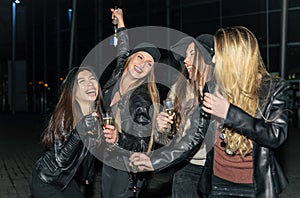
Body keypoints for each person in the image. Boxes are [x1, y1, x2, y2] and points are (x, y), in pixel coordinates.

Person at [130, 26, 290, 198]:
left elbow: (275, 135)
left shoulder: (273, 88)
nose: (212, 60)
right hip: (217, 186)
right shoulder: (213, 88)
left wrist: (229, 113)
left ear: (235, 55)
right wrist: (154, 160)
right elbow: (193, 137)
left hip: (253, 187)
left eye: (217, 54)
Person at [29, 66, 118, 197]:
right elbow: (61, 160)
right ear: (73, 92)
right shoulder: (65, 115)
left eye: (92, 79)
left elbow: (91, 151)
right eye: (82, 81)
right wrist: (80, 129)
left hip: (67, 180)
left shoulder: (97, 117)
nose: (90, 84)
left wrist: (89, 174)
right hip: (46, 180)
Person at [100, 8, 161, 198]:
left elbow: (144, 145)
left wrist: (119, 138)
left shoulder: (141, 98)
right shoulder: (119, 73)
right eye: (140, 57)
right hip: (110, 156)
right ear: (130, 60)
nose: (142, 64)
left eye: (148, 63)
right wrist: (120, 21)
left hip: (128, 166)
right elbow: (122, 49)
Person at [154, 34, 215, 198]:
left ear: (209, 57)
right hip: (187, 168)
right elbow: (166, 138)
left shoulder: (223, 89)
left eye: (192, 54)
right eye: (186, 55)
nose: (186, 60)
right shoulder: (178, 90)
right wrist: (161, 129)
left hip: (218, 170)